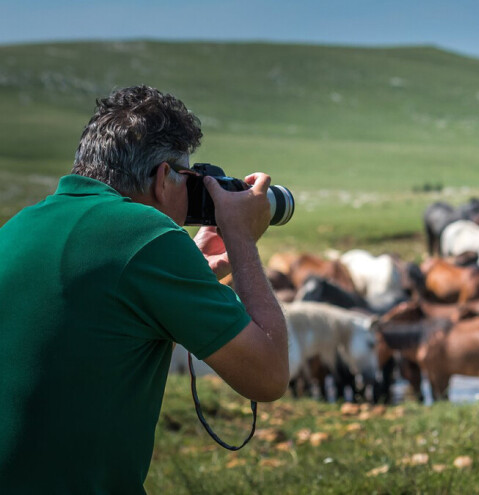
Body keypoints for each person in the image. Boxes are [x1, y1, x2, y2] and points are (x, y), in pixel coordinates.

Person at [0, 86, 289, 493]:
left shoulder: (18, 226)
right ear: (162, 177)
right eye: (188, 179)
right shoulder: (146, 235)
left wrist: (186, 270)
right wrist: (241, 238)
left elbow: (105, 323)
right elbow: (269, 376)